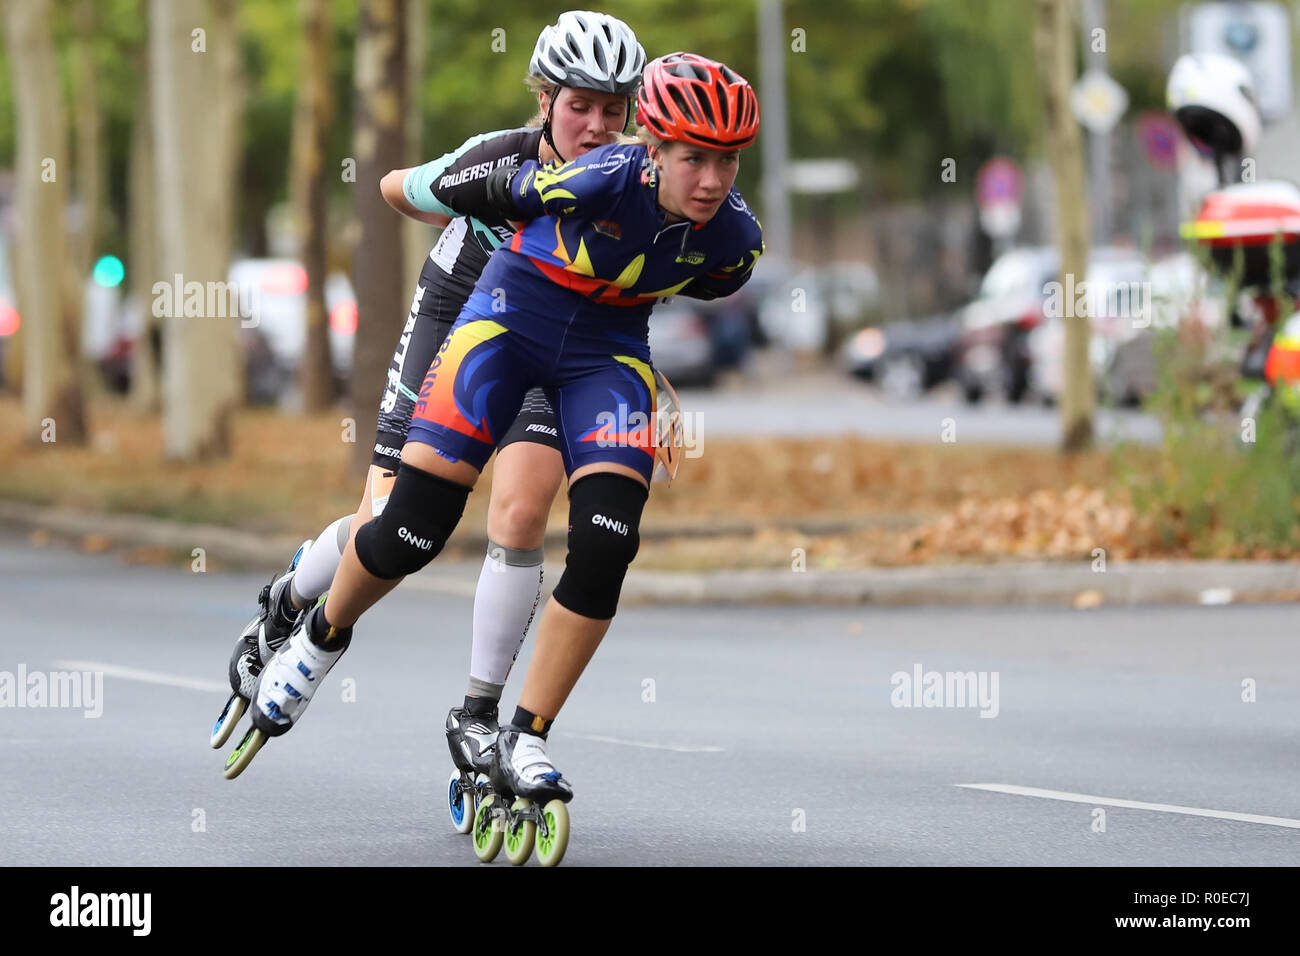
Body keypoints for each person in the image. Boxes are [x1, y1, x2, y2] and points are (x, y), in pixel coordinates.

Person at [236, 52, 763, 833]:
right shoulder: (595, 177)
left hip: (605, 363)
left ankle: (521, 735)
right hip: (503, 329)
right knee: (412, 531)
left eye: (727, 161)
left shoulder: (735, 244)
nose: (712, 180)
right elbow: (444, 189)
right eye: (695, 157)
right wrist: (496, 186)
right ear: (654, 148)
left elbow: (690, 279)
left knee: (608, 541)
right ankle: (316, 638)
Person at [214, 12, 647, 784]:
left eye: (613, 109)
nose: (596, 124)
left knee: (520, 513)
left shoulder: (629, 179)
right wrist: (463, 201)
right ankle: (294, 601)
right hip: (459, 321)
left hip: (552, 346)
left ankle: (481, 717)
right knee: (394, 528)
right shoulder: (501, 159)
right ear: (544, 100)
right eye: (579, 104)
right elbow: (393, 188)